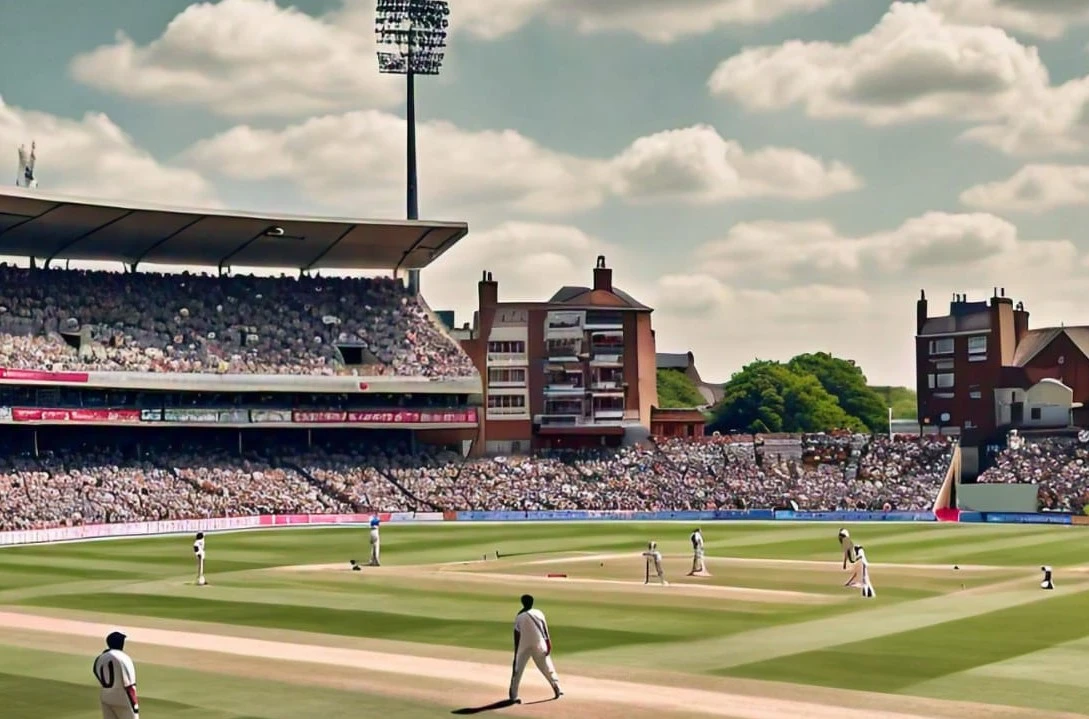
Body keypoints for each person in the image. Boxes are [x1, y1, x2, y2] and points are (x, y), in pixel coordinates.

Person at [509, 594, 562, 704]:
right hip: (539, 643)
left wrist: (516, 650)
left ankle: (513, 696)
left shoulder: (519, 616)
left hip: (524, 645)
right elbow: (545, 630)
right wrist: (548, 643)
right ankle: (556, 686)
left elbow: (517, 633)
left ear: (522, 603)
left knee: (518, 670)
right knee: (546, 666)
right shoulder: (539, 613)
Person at [93, 631, 139, 719]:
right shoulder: (123, 657)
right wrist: (135, 706)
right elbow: (130, 685)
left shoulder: (101, 657)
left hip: (106, 695)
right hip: (123, 698)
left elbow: (96, 671)